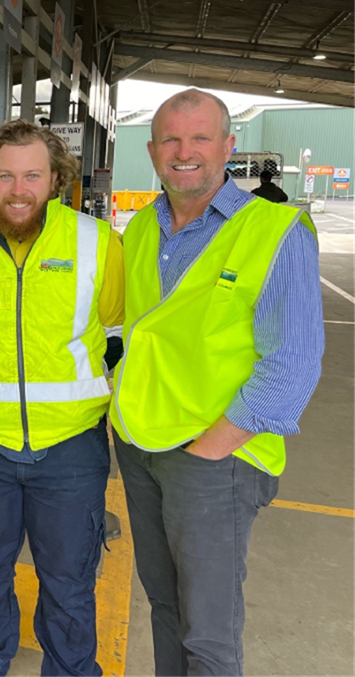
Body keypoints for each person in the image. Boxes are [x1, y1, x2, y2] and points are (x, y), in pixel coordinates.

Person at [112, 88, 323, 676]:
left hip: (217, 455)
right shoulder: (139, 233)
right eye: (172, 140)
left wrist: (210, 451)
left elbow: (292, 365)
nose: (185, 152)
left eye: (200, 137)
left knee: (208, 634)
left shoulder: (276, 231)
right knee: (164, 607)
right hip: (142, 446)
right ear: (153, 151)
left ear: (228, 146)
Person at [0, 120, 124, 677]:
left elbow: (116, 335)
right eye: (6, 176)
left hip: (70, 448)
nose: (18, 190)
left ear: (55, 179)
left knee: (70, 581)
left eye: (32, 176)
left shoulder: (98, 243)